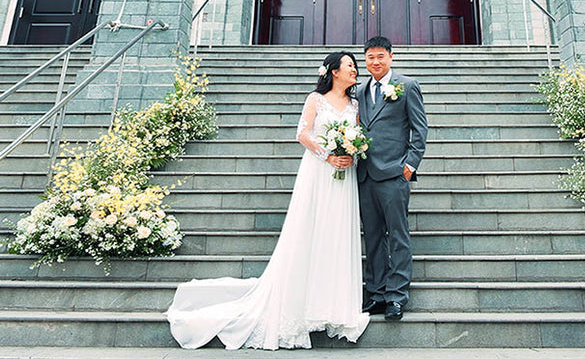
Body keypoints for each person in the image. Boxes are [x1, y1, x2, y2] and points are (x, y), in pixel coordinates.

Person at [166, 51, 370, 350]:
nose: (355, 70)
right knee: (311, 231)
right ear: (334, 71)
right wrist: (328, 155)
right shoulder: (315, 100)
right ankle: (303, 302)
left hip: (344, 175)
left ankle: (334, 305)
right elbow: (302, 133)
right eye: (350, 66)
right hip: (318, 171)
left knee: (337, 234)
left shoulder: (355, 104)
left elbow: (359, 134)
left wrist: (351, 151)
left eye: (354, 66)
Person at [357, 35, 428, 321]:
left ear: (391, 56)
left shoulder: (407, 86)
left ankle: (397, 296)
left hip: (394, 174)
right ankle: (376, 293)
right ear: (365, 60)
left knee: (397, 236)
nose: (375, 61)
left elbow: (419, 130)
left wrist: (409, 165)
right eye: (370, 57)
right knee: (372, 237)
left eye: (380, 56)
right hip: (365, 175)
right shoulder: (360, 90)